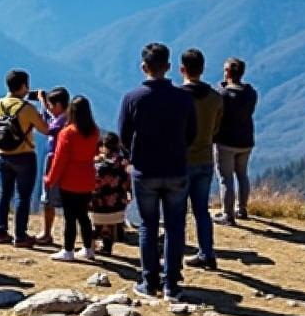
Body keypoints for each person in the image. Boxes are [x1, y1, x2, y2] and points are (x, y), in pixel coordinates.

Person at [117, 42, 197, 301]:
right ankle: (171, 285)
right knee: (175, 226)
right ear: (169, 67)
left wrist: (132, 156)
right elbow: (192, 134)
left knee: (147, 226)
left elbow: (123, 135)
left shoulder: (132, 98)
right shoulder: (184, 98)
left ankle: (148, 282)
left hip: (145, 170)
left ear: (144, 67)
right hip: (176, 168)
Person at [0, 69, 50, 247]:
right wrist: (43, 105)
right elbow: (45, 129)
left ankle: (0, 232)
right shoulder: (26, 108)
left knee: (3, 194)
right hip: (24, 155)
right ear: (24, 86)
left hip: (1, 155)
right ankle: (20, 235)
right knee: (23, 197)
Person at [180, 49, 224, 271]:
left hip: (181, 160)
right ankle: (207, 252)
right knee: (201, 210)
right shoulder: (216, 98)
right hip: (205, 158)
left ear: (182, 70)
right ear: (203, 69)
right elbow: (216, 128)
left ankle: (175, 252)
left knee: (177, 210)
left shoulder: (177, 97)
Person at [44, 95, 100, 262]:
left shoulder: (67, 133)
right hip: (88, 177)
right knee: (83, 215)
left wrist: (50, 179)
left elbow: (59, 160)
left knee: (69, 216)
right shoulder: (94, 131)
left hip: (70, 180)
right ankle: (88, 248)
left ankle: (68, 250)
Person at [213, 57, 258, 225]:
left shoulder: (222, 94)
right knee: (242, 175)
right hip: (246, 141)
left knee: (226, 178)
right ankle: (242, 208)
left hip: (225, 142)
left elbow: (218, 109)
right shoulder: (250, 93)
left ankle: (228, 214)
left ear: (228, 73)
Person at [33, 87, 70, 246]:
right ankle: (53, 233)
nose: (49, 108)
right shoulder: (66, 117)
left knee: (48, 197)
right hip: (62, 161)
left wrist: (41, 105)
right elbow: (49, 121)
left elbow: (48, 129)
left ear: (60, 105)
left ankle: (47, 233)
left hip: (56, 160)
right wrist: (43, 103)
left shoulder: (64, 121)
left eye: (51, 105)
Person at [90, 132, 130, 255]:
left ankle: (90, 247)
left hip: (97, 209)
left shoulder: (96, 164)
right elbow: (128, 184)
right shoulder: (124, 164)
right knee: (110, 215)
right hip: (118, 210)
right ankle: (107, 246)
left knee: (92, 207)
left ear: (102, 146)